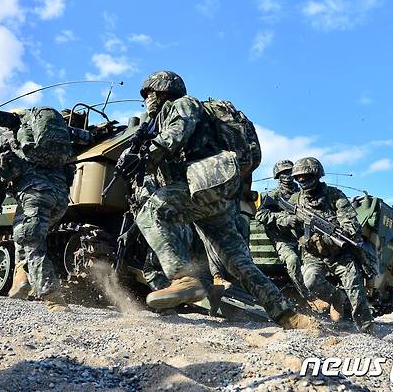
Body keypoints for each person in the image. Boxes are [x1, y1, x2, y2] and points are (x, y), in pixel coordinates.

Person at [131, 70, 313, 329]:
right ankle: (287, 315)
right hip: (216, 195)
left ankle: (183, 278)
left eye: (148, 94)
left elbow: (175, 134)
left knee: (151, 212)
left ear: (160, 90)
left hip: (197, 188)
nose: (146, 100)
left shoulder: (182, 104)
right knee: (239, 262)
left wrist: (146, 156)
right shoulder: (166, 118)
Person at [0, 107, 72, 313]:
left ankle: (53, 298)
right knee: (20, 234)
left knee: (32, 243)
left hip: (35, 196)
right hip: (60, 199)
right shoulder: (56, 143)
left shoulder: (10, 141)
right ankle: (20, 280)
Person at [276, 157, 374, 333]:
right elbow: (280, 218)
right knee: (310, 281)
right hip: (313, 255)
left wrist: (331, 233)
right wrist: (293, 219)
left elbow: (352, 226)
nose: (302, 181)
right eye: (298, 177)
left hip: (340, 255)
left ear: (317, 175)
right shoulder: (295, 199)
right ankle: (336, 296)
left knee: (356, 294)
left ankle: (367, 331)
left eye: (306, 176)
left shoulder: (335, 196)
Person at [255, 160, 329, 312]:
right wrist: (285, 219)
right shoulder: (274, 195)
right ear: (278, 176)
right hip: (283, 239)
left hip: (303, 238)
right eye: (283, 173)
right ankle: (310, 298)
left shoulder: (303, 193)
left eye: (290, 172)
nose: (287, 176)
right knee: (293, 260)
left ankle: (335, 297)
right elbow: (261, 215)